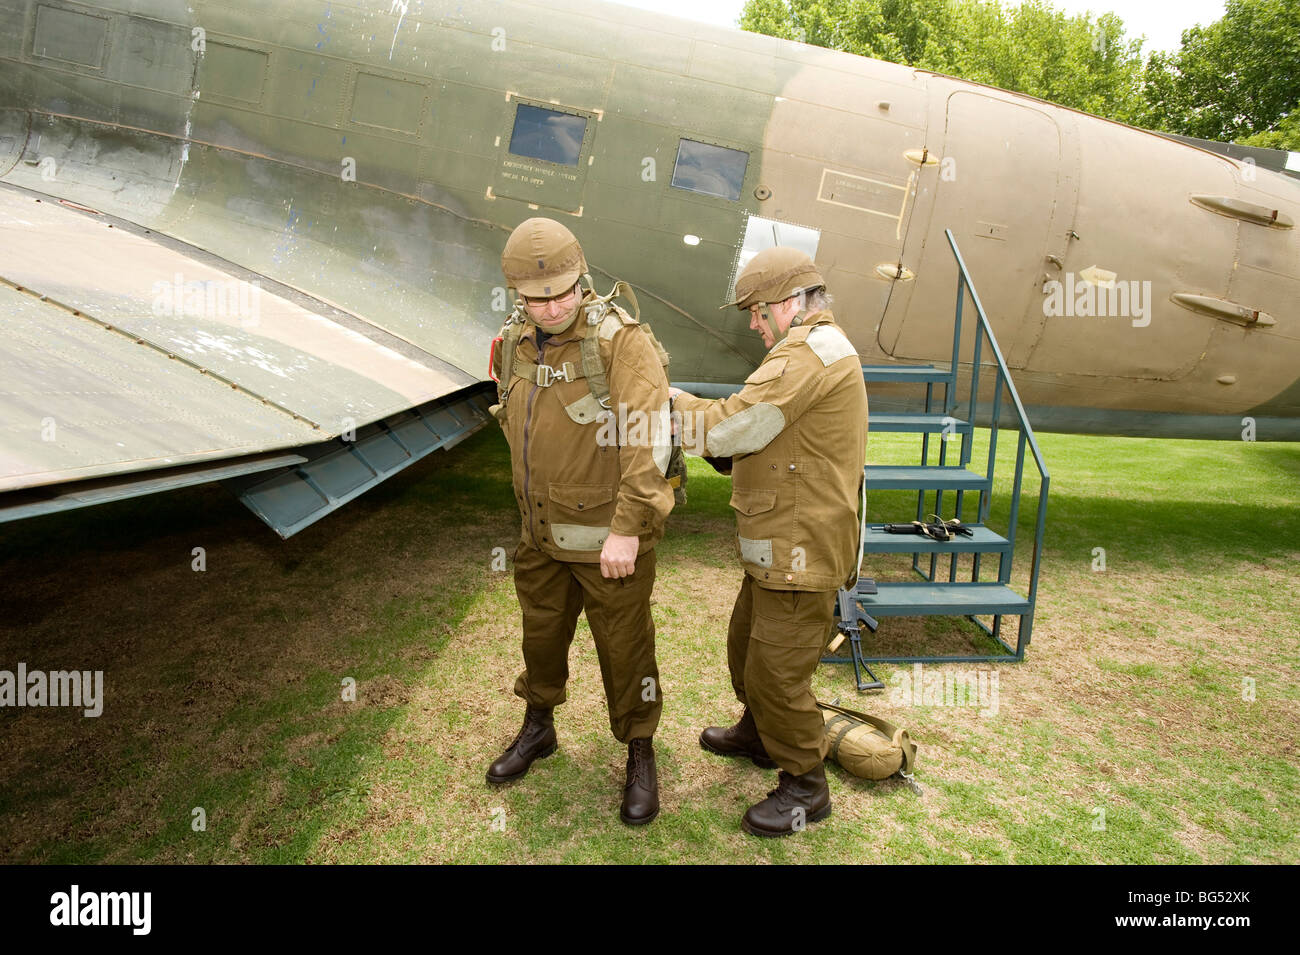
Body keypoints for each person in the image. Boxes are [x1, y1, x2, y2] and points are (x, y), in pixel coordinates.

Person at [669, 246, 868, 837]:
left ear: (786, 304)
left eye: (756, 312)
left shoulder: (808, 353)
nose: (753, 325)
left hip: (798, 550)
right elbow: (775, 437)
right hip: (779, 543)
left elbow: (735, 426)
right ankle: (760, 734)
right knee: (746, 652)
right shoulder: (806, 349)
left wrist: (673, 405)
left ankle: (805, 785)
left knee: (777, 675)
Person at [486, 217, 674, 826]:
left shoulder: (620, 341)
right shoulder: (514, 338)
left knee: (625, 649)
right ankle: (538, 726)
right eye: (535, 298)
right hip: (540, 535)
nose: (550, 306)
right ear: (517, 293)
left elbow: (648, 442)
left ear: (582, 276)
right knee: (540, 637)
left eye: (561, 292)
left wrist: (627, 528)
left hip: (607, 542)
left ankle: (639, 749)